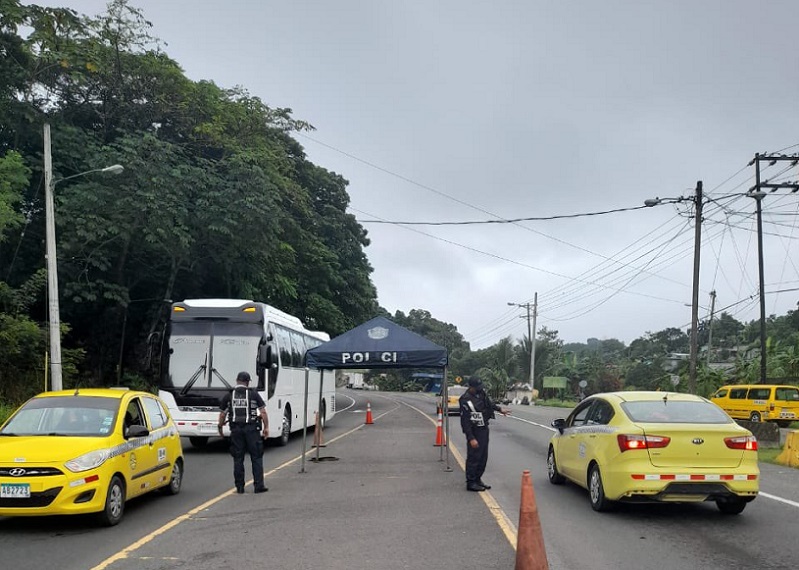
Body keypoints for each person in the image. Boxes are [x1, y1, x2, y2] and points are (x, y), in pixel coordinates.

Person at [218, 371, 269, 494]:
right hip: (252, 430)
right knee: (256, 457)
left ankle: (239, 487)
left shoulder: (229, 396)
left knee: (238, 458)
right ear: (247, 382)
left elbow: (222, 414)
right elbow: (263, 412)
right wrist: (266, 427)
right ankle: (258, 486)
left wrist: (220, 427)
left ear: (237, 380)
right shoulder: (253, 394)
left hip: (236, 431)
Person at [459, 376, 510, 492]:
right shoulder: (465, 400)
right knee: (474, 457)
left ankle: (478, 479)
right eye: (476, 387)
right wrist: (471, 438)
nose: (479, 389)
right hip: (474, 430)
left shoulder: (481, 393)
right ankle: (471, 482)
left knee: (483, 457)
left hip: (483, 429)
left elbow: (489, 403)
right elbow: (465, 422)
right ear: (470, 387)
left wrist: (499, 409)